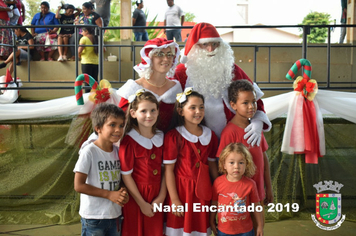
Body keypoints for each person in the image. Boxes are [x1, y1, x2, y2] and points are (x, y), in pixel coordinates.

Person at [174, 22, 271, 145]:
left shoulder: (232, 70)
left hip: (233, 138)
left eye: (214, 44)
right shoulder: (182, 72)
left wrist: (258, 121)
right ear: (195, 46)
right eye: (205, 44)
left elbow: (254, 97)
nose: (211, 49)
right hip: (196, 141)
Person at [216, 80, 273, 231]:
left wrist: (269, 187)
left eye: (253, 102)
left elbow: (264, 160)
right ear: (233, 105)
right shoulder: (229, 133)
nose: (251, 106)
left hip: (258, 193)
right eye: (245, 103)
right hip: (238, 198)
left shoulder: (256, 128)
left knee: (258, 229)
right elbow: (222, 166)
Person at [164, 88, 219, 236]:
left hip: (203, 191)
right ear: (181, 111)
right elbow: (168, 170)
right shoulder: (174, 136)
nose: (198, 111)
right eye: (192, 107)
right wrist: (174, 199)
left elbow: (212, 165)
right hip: (182, 191)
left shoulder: (210, 135)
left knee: (200, 228)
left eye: (201, 107)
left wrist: (220, 187)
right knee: (180, 229)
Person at [73, 103, 129, 236]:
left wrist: (122, 192)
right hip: (93, 217)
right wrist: (109, 195)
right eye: (112, 124)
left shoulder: (118, 151)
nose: (118, 130)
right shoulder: (89, 151)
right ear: (98, 128)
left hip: (115, 216)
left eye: (121, 125)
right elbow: (78, 185)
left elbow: (119, 179)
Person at [119, 90, 166, 236]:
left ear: (158, 111)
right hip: (136, 197)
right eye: (143, 111)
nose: (149, 115)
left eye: (153, 110)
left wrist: (161, 197)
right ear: (133, 113)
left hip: (156, 196)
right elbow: (127, 177)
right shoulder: (128, 141)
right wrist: (142, 203)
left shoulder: (161, 137)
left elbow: (166, 171)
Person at [117, 38, 181, 133]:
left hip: (169, 144)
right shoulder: (133, 88)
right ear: (149, 58)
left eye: (169, 54)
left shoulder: (176, 88)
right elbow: (120, 122)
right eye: (160, 54)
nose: (166, 59)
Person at [211, 143, 263, 236]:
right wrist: (211, 221)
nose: (236, 166)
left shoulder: (250, 184)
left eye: (241, 162)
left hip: (245, 231)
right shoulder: (218, 183)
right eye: (231, 162)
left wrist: (260, 225)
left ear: (246, 164)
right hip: (223, 231)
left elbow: (256, 206)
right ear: (224, 165)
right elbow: (214, 203)